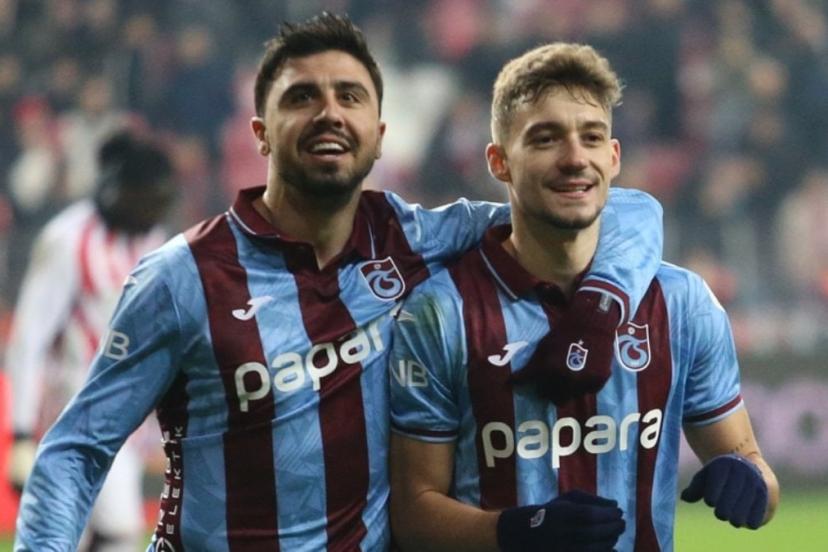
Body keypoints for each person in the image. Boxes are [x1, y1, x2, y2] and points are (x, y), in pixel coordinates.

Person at [14, 15, 664, 551]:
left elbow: (625, 209)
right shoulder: (182, 277)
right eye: (302, 97)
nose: (329, 113)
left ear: (378, 136)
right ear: (260, 134)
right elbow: (77, 449)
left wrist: (596, 312)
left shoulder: (417, 238)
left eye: (350, 97)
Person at [388, 42, 780, 552]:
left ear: (612, 158)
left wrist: (750, 483)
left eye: (591, 137)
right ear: (500, 161)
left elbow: (755, 470)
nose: (575, 159)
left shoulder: (682, 303)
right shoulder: (440, 313)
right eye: (546, 139)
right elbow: (412, 513)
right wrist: (520, 530)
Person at [7, 130, 177, 551]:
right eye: (146, 200)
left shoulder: (153, 239)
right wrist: (22, 432)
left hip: (128, 419)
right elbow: (29, 337)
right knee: (116, 527)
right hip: (73, 412)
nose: (153, 210)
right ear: (119, 191)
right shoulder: (68, 239)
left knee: (88, 533)